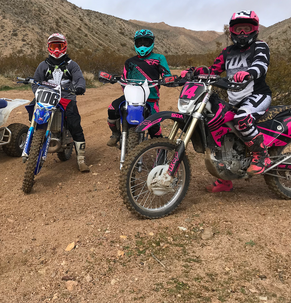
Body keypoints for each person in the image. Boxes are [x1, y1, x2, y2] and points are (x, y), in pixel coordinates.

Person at [180, 10, 272, 192]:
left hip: (258, 96)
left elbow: (261, 64)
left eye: (247, 28)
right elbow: (213, 70)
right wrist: (194, 73)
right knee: (216, 126)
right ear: (232, 31)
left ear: (255, 29)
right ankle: (225, 177)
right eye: (239, 29)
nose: (243, 33)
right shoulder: (227, 52)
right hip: (236, 100)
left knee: (241, 119)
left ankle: (261, 156)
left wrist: (249, 73)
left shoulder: (260, 47)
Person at [31, 33, 90, 173]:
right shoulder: (43, 65)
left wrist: (79, 87)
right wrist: (37, 92)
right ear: (49, 47)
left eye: (59, 46)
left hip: (66, 97)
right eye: (53, 46)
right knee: (31, 109)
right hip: (47, 96)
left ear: (64, 46)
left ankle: (81, 159)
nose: (56, 49)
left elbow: (79, 79)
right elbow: (35, 82)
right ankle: (34, 143)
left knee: (74, 123)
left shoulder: (72, 65)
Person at [106, 29, 172, 146]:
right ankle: (116, 133)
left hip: (150, 98)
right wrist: (116, 80)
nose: (142, 45)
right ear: (135, 43)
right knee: (112, 108)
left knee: (154, 126)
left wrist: (167, 79)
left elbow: (167, 74)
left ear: (152, 43)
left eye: (146, 42)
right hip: (131, 97)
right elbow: (124, 79)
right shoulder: (129, 62)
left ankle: (161, 152)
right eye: (139, 42)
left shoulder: (159, 58)